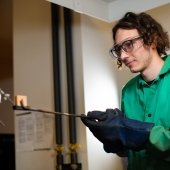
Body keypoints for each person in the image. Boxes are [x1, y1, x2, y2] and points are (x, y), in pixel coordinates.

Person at [81, 12, 170, 170]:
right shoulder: (128, 90)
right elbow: (128, 151)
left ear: (153, 39)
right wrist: (112, 137)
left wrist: (137, 132)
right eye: (119, 49)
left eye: (129, 44)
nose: (122, 56)